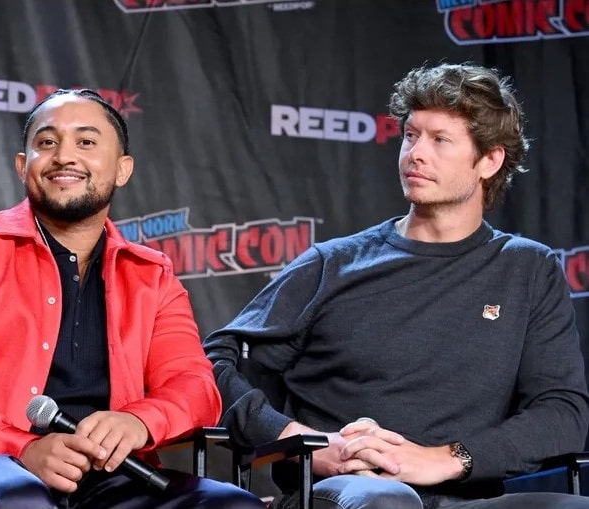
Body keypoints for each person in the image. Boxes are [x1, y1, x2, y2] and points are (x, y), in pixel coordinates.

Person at [203, 62, 589, 509]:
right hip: (351, 489)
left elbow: (561, 411)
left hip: (467, 498)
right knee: (386, 500)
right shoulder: (336, 263)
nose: (415, 154)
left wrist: (447, 458)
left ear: (490, 159)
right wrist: (297, 438)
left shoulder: (527, 268)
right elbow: (212, 364)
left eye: (440, 139)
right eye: (410, 135)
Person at [0, 89, 266, 509]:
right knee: (21, 498)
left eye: (87, 142)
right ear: (24, 166)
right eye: (46, 142)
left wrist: (138, 421)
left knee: (233, 505)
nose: (64, 156)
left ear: (122, 169)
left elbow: (195, 386)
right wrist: (21, 447)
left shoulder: (153, 275)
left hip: (105, 474)